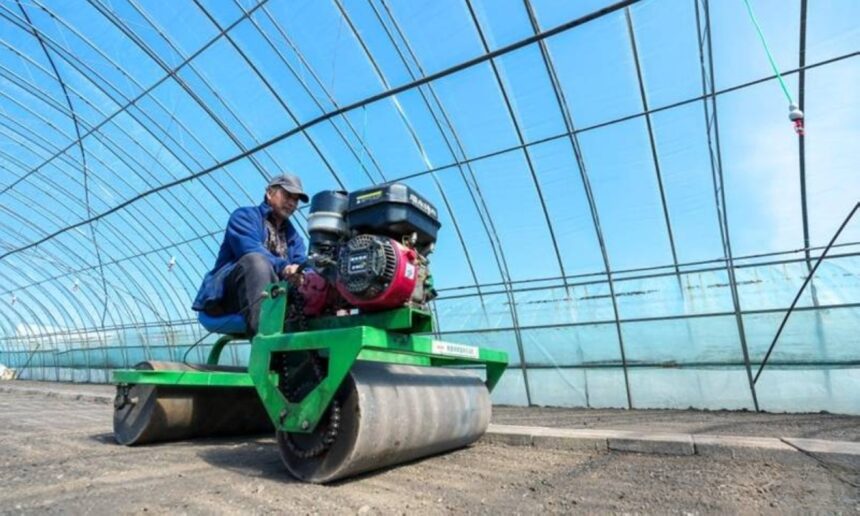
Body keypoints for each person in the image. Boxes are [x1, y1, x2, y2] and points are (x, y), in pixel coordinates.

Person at [192, 173, 308, 335]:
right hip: (230, 298)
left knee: (313, 281)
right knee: (256, 262)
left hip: (273, 296)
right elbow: (251, 249)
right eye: (287, 195)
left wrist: (301, 273)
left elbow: (302, 262)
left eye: (295, 200)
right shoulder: (244, 217)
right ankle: (265, 340)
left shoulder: (294, 237)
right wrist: (285, 268)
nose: (291, 203)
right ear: (269, 193)